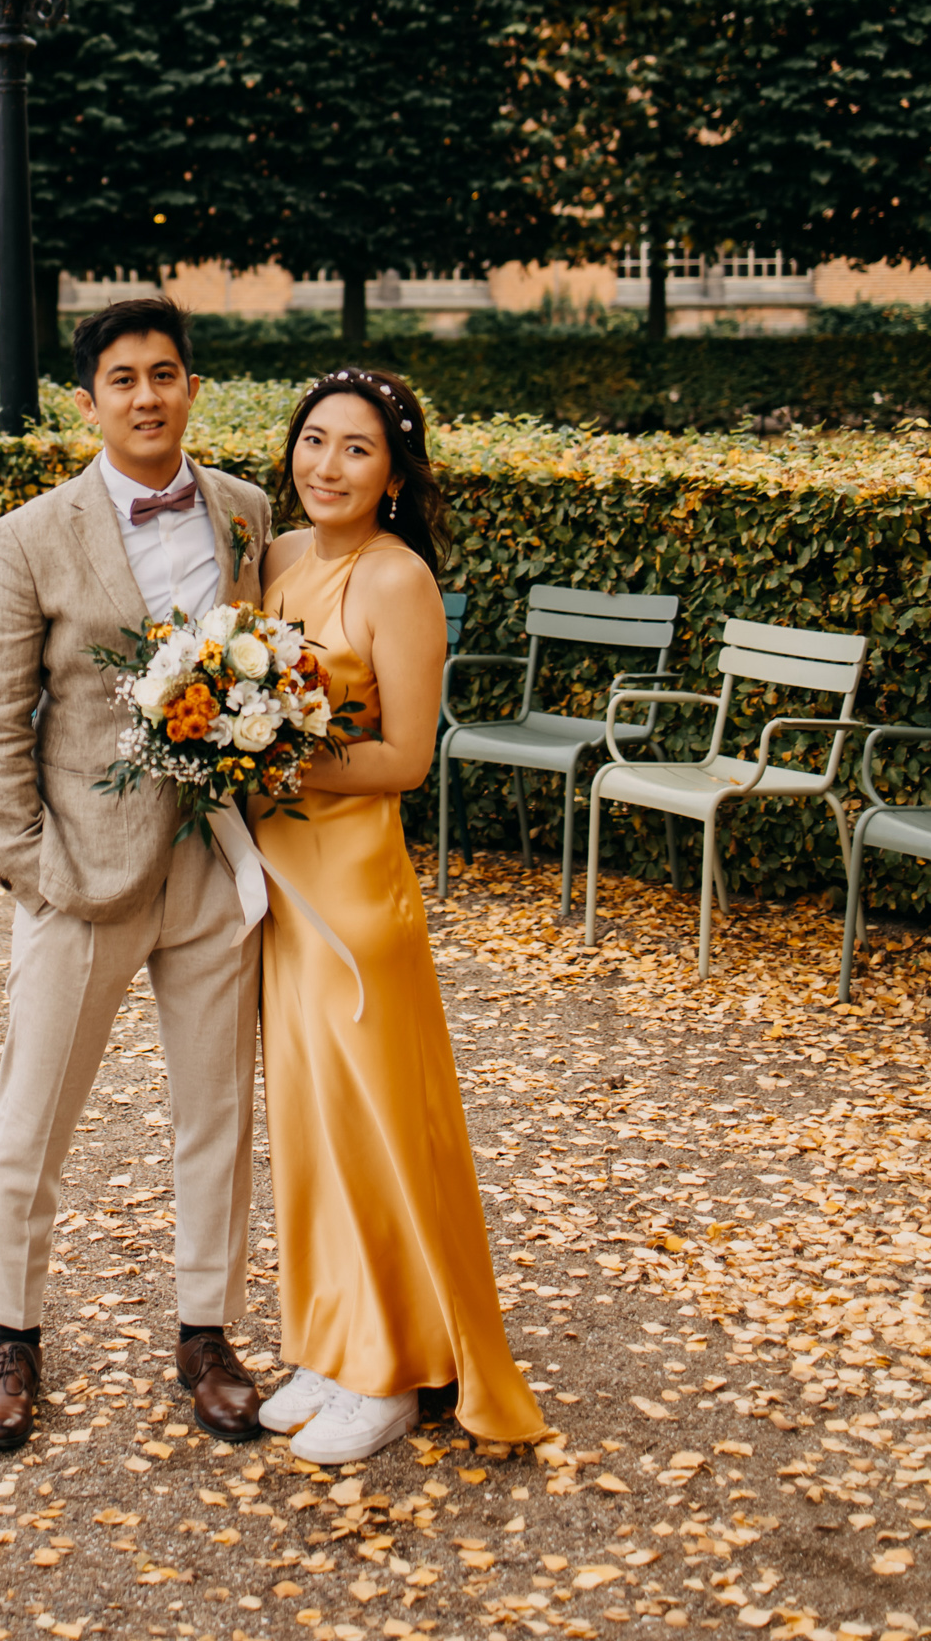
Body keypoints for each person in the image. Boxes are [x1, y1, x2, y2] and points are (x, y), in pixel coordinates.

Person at [0, 295, 273, 1451]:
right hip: (81, 876)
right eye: (125, 379)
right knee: (32, 1116)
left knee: (217, 1114)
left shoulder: (246, 514)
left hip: (214, 863)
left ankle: (207, 1333)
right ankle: (12, 1337)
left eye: (166, 374)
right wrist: (28, 866)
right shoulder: (29, 536)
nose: (148, 396)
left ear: (192, 387)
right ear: (88, 403)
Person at [251, 366, 546, 1464]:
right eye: (313, 440)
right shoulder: (275, 557)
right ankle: (332, 1340)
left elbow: (406, 758)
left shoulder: (397, 578)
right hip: (277, 884)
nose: (326, 465)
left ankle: (395, 1369)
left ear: (393, 475)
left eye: (356, 449)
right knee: (312, 1129)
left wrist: (263, 760)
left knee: (375, 1127)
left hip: (354, 892)